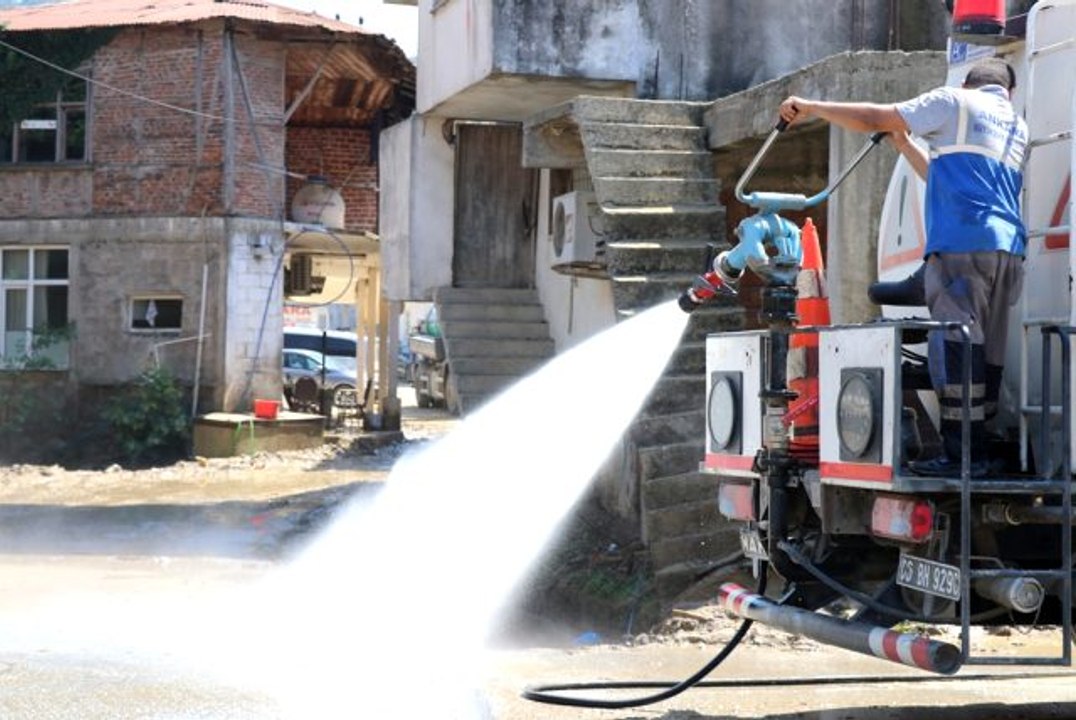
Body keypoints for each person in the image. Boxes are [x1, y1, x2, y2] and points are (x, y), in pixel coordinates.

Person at [778, 57, 1027, 478]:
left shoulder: (954, 100)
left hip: (960, 249)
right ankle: (980, 451)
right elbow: (949, 180)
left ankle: (959, 456)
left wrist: (813, 107)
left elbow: (876, 115)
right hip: (1006, 251)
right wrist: (904, 145)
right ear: (1009, 92)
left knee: (956, 344)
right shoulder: (1015, 125)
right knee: (988, 350)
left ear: (967, 82)